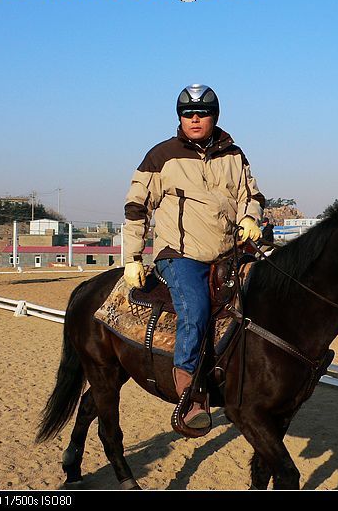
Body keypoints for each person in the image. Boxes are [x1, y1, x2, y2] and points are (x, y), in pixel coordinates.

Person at [122, 84, 265, 432]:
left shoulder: (234, 154)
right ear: (180, 117)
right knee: (197, 309)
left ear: (215, 116)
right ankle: (189, 390)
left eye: (202, 113)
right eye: (188, 113)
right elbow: (136, 206)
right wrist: (132, 257)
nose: (195, 118)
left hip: (228, 253)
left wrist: (251, 216)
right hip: (180, 255)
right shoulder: (161, 156)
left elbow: (252, 194)